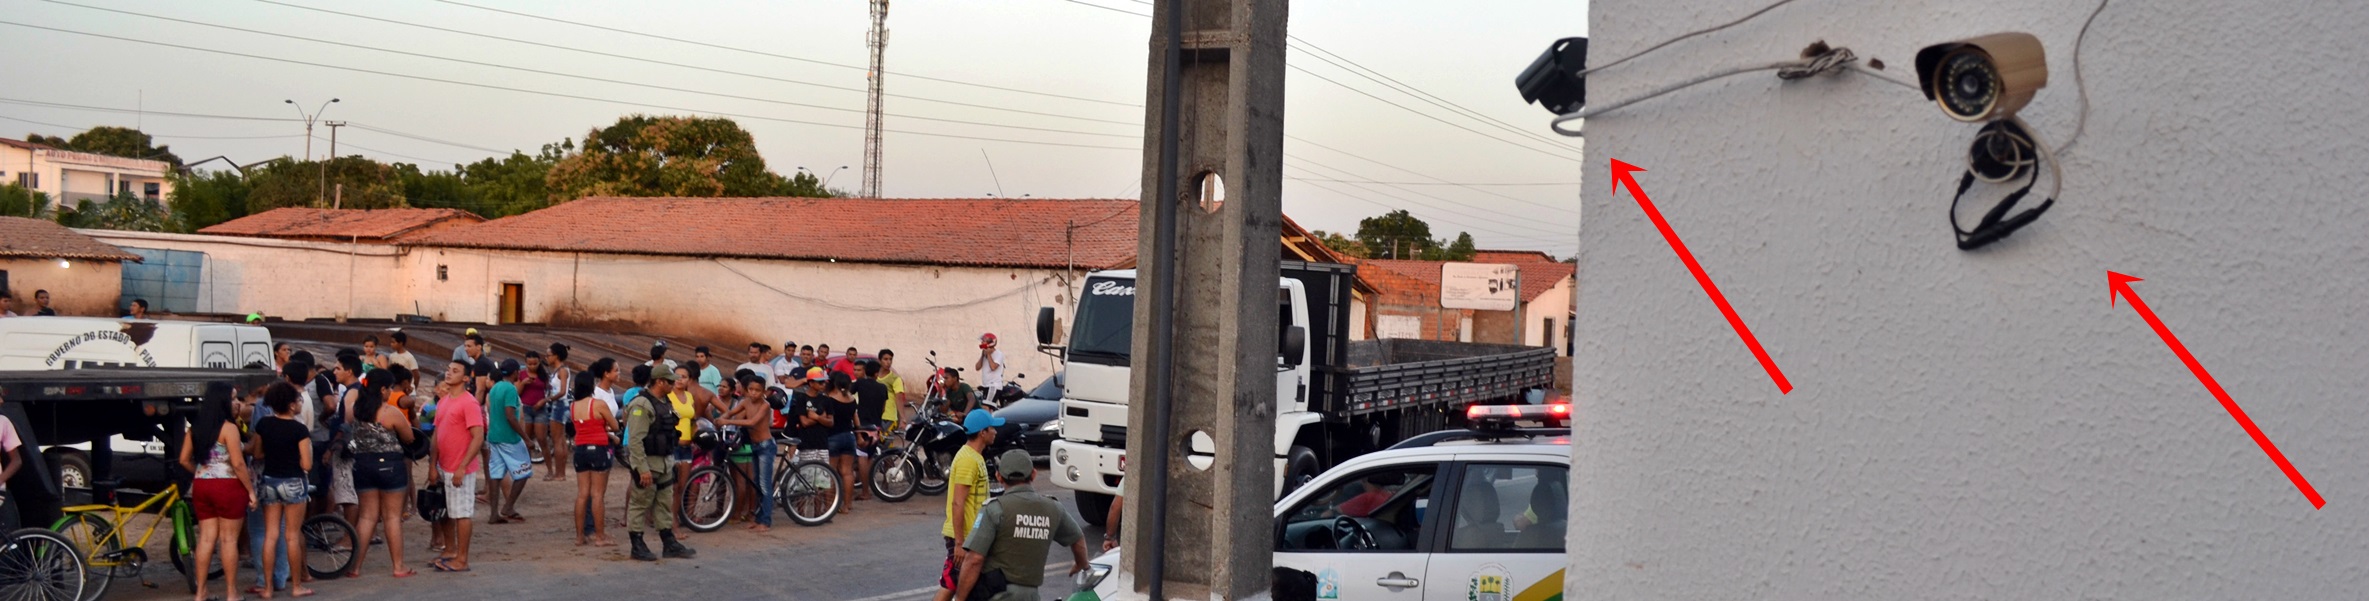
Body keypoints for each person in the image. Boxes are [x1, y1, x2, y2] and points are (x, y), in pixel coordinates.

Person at [954, 449, 1090, 601]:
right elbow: (1077, 538)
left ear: (999, 477)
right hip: (1031, 595)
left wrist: (959, 598)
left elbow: (974, 559)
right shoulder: (1053, 508)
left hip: (997, 594)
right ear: (1034, 474)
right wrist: (1081, 563)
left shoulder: (994, 509)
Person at [180, 383, 256, 601]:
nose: (237, 403)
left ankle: (200, 592)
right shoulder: (229, 428)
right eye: (233, 398)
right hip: (228, 486)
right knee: (229, 540)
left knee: (206, 539)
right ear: (222, 401)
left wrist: (202, 471)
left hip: (202, 485)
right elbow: (238, 463)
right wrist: (250, 491)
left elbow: (184, 459)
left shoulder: (195, 428)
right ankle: (231, 592)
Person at [344, 371, 419, 578]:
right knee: (392, 517)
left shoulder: (355, 410)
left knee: (366, 517)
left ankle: (355, 567)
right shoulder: (390, 412)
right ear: (383, 390)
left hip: (363, 464)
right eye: (390, 388)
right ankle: (398, 566)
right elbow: (409, 437)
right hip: (390, 466)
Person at [621, 366, 694, 561]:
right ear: (659, 382)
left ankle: (669, 542)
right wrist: (641, 468)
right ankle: (637, 544)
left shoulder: (665, 402)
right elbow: (635, 441)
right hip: (649, 463)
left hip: (664, 463)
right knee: (640, 503)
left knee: (664, 503)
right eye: (670, 381)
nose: (673, 384)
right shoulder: (642, 404)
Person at [253, 382, 316, 599]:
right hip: (293, 482)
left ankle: (267, 587)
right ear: (291, 405)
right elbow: (307, 464)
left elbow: (258, 454)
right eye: (298, 401)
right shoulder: (299, 430)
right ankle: (297, 586)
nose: (300, 404)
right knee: (291, 536)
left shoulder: (263, 424)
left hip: (269, 481)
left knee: (270, 535)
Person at [934, 408, 1004, 601]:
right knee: (953, 585)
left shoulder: (975, 456)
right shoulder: (968, 460)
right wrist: (960, 543)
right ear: (982, 432)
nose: (995, 432)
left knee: (954, 583)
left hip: (971, 535)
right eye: (992, 428)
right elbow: (958, 502)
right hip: (965, 537)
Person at [430, 359, 486, 573]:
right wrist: (432, 465)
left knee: (462, 513)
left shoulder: (469, 403)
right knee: (445, 511)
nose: (449, 373)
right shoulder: (443, 401)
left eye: (455, 371)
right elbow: (437, 434)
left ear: (465, 377)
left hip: (460, 467)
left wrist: (462, 466)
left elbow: (478, 437)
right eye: (448, 369)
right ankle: (450, 549)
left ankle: (462, 559)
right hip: (443, 465)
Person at [714, 371, 777, 531]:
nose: (754, 393)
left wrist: (727, 421)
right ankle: (758, 517)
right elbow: (732, 412)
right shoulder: (745, 402)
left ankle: (765, 521)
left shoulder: (765, 405)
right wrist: (723, 417)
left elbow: (752, 422)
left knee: (764, 485)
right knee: (756, 484)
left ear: (763, 391)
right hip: (755, 446)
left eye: (757, 390)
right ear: (746, 390)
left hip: (765, 446)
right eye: (751, 389)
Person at [569, 371, 617, 547]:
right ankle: (600, 536)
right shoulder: (598, 404)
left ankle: (579, 536)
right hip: (598, 448)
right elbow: (615, 425)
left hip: (580, 449)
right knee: (597, 495)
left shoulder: (573, 406)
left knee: (582, 494)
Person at [483, 359, 533, 524]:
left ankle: (493, 513)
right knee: (524, 471)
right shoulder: (511, 389)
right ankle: (508, 506)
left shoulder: (495, 387)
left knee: (496, 474)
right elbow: (510, 416)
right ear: (515, 372)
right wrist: (526, 438)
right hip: (509, 437)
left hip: (494, 436)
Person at [822, 371, 862, 512]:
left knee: (830, 472)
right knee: (847, 472)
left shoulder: (829, 399)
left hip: (832, 437)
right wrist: (859, 436)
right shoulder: (851, 399)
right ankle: (847, 505)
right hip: (849, 437)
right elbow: (856, 420)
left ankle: (830, 506)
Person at [852, 361, 890, 496]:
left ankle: (865, 491)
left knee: (862, 457)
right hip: (876, 427)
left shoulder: (860, 383)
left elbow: (848, 394)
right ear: (876, 373)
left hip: (862, 426)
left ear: (865, 371)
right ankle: (867, 489)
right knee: (869, 457)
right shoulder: (883, 388)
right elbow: (883, 408)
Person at [541, 344, 576, 483]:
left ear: (556, 356)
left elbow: (562, 392)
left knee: (557, 440)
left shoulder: (562, 371)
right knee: (560, 439)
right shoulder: (558, 370)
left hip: (559, 405)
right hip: (559, 405)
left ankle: (559, 473)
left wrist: (547, 399)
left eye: (548, 355)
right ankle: (561, 472)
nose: (547, 358)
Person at [877, 349, 908, 431]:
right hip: (874, 416)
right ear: (879, 360)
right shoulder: (874, 376)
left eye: (890, 359)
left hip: (888, 417)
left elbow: (899, 398)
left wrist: (903, 418)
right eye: (885, 359)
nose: (888, 362)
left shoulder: (895, 379)